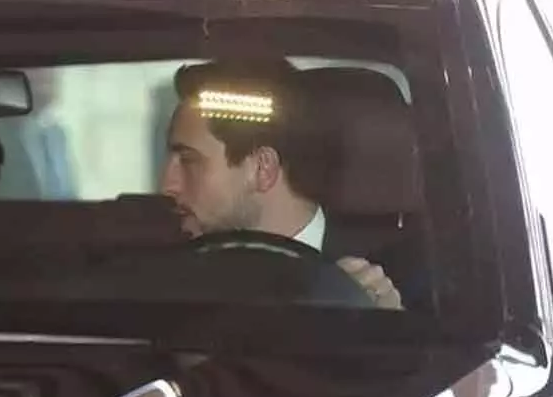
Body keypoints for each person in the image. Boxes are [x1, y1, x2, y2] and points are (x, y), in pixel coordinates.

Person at [158, 61, 404, 310]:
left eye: (188, 160)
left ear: (262, 168)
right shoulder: (165, 274)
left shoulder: (404, 282)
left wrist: (384, 324)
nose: (168, 185)